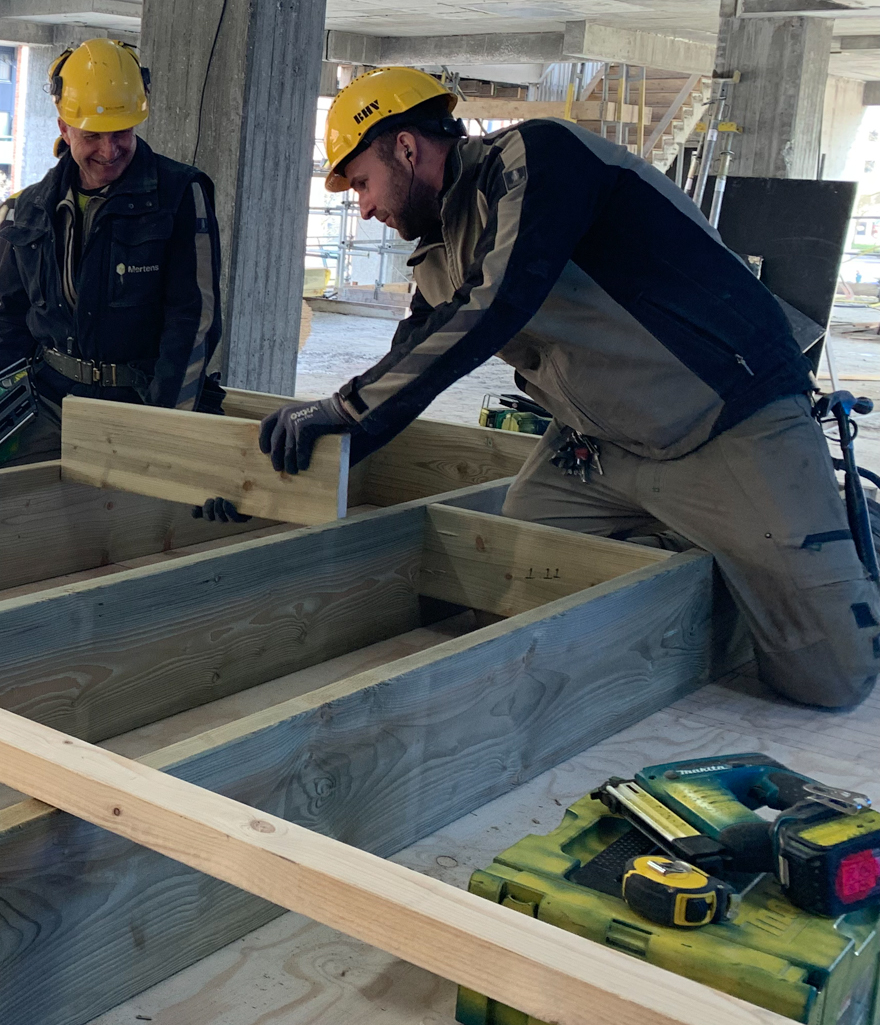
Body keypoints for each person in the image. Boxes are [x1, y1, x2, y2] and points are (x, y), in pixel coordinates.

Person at [260, 65, 878, 709]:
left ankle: (842, 529)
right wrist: (294, 470)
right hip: (600, 446)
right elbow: (412, 359)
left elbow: (496, 302)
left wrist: (346, 408)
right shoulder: (439, 251)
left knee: (831, 678)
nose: (363, 207)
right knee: (512, 583)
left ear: (407, 148)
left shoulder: (537, 159)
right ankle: (713, 542)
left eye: (362, 181)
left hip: (724, 421)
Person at [0, 38, 234, 515]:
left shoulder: (179, 194)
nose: (110, 150)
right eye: (93, 135)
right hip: (51, 406)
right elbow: (8, 326)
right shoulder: (22, 212)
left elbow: (194, 321)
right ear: (64, 128)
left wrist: (168, 433)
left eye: (121, 132)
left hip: (143, 405)